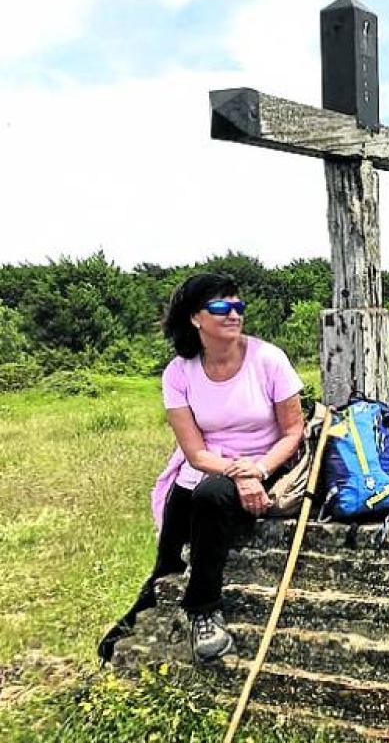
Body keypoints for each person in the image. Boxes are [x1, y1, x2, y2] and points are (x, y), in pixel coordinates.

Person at [100, 272, 305, 664]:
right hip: (209, 464)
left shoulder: (268, 359)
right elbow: (193, 453)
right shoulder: (179, 372)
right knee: (174, 539)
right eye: (220, 306)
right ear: (196, 318)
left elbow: (293, 430)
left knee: (211, 496)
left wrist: (257, 470)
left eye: (237, 305)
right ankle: (140, 615)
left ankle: (204, 611)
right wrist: (236, 471)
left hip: (270, 461)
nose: (233, 313)